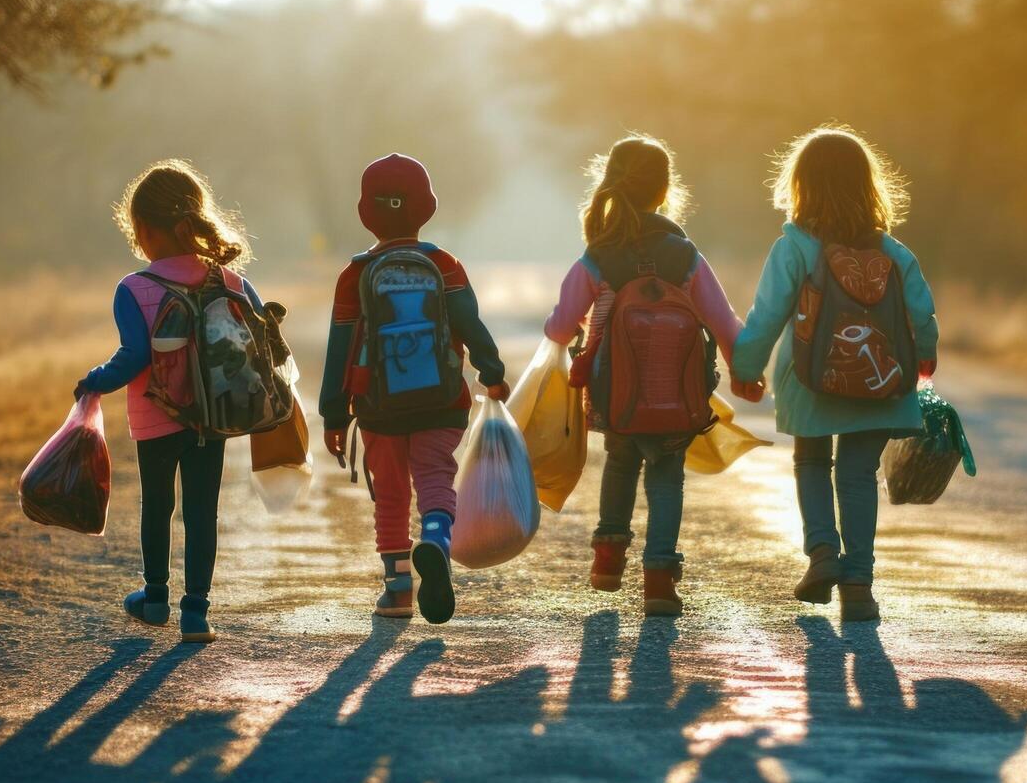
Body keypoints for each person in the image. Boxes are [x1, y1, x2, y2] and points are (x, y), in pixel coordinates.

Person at [730, 127, 939, 621]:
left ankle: (823, 554)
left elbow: (767, 314)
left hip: (810, 380)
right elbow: (921, 314)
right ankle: (860, 586)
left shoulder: (795, 247)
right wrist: (924, 359)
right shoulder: (893, 251)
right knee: (859, 475)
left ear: (801, 185)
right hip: (880, 383)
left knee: (811, 463)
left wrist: (746, 367)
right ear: (868, 185)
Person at [543, 135, 743, 617]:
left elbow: (560, 325)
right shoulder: (684, 254)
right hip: (678, 393)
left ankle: (608, 559)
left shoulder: (600, 254)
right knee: (667, 478)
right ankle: (658, 580)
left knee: (620, 460)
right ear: (663, 190)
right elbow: (722, 321)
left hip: (616, 394)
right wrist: (745, 371)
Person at [76, 160, 266, 643]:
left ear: (141, 229)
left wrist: (94, 381)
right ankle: (197, 612)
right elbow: (260, 337)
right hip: (213, 416)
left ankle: (155, 598)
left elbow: (133, 356)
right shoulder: (231, 281)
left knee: (158, 505)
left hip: (156, 419)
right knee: (203, 510)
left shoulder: (134, 288)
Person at [319, 154, 508, 625]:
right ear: (428, 208)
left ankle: (398, 590)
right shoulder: (444, 265)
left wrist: (334, 414)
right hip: (441, 401)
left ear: (366, 213)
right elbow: (470, 325)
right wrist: (492, 372)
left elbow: (340, 346)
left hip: (378, 407)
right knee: (434, 479)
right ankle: (437, 543)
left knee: (391, 494)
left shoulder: (355, 275)